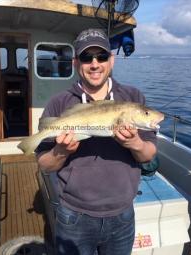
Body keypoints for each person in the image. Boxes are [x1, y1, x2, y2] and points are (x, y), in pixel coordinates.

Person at [36, 28, 157, 255]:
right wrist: (60, 152)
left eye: (101, 56)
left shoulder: (133, 98)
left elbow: (148, 154)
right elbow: (44, 164)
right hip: (74, 216)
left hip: (122, 215)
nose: (95, 64)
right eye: (86, 57)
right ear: (76, 62)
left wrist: (135, 144)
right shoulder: (58, 103)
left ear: (111, 60)